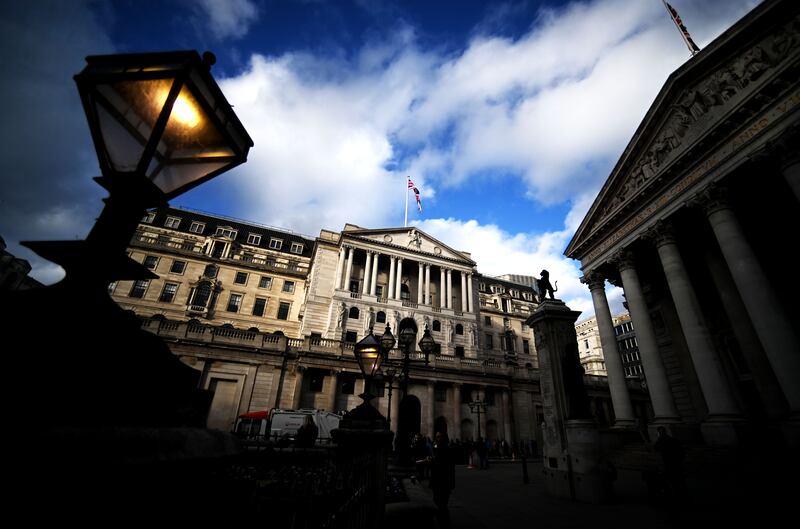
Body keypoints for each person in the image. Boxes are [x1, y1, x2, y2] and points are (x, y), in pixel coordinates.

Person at [427, 431, 455, 529]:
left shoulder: (446, 450)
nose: (437, 439)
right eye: (436, 437)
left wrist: (432, 461)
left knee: (441, 504)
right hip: (438, 481)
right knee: (438, 502)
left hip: (442, 482)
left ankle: (444, 523)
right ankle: (443, 522)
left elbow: (447, 467)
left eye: (439, 437)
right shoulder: (439, 449)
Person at [653, 426, 688, 502]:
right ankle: (685, 496)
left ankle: (677, 498)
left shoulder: (661, 440)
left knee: (673, 482)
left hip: (669, 463)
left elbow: (655, 448)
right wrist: (680, 460)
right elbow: (682, 451)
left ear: (659, 433)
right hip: (676, 463)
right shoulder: (673, 440)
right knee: (680, 480)